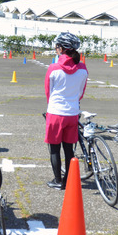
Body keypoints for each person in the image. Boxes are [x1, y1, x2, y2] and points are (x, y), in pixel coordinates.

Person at [44, 32, 88, 190]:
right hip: (73, 113)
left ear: (61, 49)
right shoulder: (82, 68)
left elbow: (48, 92)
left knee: (54, 148)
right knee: (69, 149)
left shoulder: (54, 68)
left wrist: (52, 107)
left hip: (56, 112)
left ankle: (57, 180)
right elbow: (81, 92)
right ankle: (68, 180)